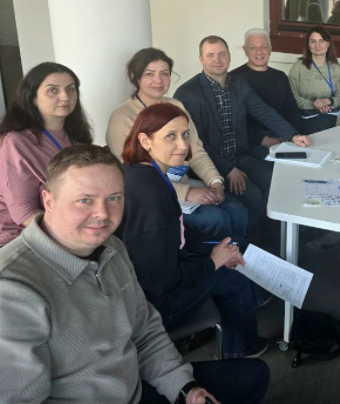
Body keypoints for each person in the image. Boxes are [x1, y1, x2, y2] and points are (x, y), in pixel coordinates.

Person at [0, 145, 269, 403]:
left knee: (255, 375)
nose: (102, 214)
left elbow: (145, 331)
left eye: (113, 198)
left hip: (134, 385)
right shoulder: (12, 290)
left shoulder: (112, 248)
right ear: (48, 200)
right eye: (85, 200)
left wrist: (184, 389)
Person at [118, 103, 269, 358]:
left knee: (233, 243)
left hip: (152, 279)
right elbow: (162, 280)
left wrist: (213, 249)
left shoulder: (137, 172)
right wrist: (212, 262)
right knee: (232, 277)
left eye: (185, 134)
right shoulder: (153, 196)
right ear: (145, 140)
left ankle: (246, 308)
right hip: (157, 307)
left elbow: (173, 241)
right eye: (171, 136)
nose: (182, 144)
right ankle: (242, 349)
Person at [106, 48, 250, 247]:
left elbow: (195, 149)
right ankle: (214, 259)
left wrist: (215, 181)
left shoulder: (176, 106)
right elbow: (134, 177)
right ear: (134, 76)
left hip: (184, 181)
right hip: (154, 195)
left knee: (239, 211)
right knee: (217, 219)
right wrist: (186, 193)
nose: (158, 80)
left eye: (164, 73)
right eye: (150, 74)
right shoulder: (122, 117)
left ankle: (236, 255)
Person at [174, 36, 311, 230]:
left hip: (241, 156)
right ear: (201, 59)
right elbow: (198, 143)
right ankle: (245, 239)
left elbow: (263, 111)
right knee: (253, 195)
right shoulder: (188, 93)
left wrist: (293, 135)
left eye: (222, 54)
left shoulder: (239, 84)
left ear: (229, 57)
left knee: (275, 181)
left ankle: (265, 232)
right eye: (210, 55)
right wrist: (228, 169)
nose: (217, 59)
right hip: (212, 164)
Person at [0, 62, 93, 246]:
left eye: (70, 89)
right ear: (33, 98)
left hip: (73, 228)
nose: (65, 96)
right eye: (53, 90)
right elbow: (24, 213)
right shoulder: (16, 142)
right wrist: (78, 232)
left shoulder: (76, 137)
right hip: (23, 239)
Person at [231, 28, 301, 150]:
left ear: (270, 49)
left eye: (263, 47)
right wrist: (263, 140)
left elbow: (292, 112)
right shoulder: (234, 79)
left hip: (283, 136)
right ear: (245, 50)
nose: (259, 52)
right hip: (251, 142)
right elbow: (234, 123)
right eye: (252, 47)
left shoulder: (280, 76)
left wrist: (291, 135)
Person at [288, 26, 340, 134]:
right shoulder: (298, 66)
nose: (317, 45)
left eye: (321, 41)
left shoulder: (335, 68)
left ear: (328, 43)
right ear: (308, 44)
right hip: (303, 121)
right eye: (313, 41)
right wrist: (313, 104)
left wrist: (328, 101)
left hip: (327, 121)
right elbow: (291, 96)